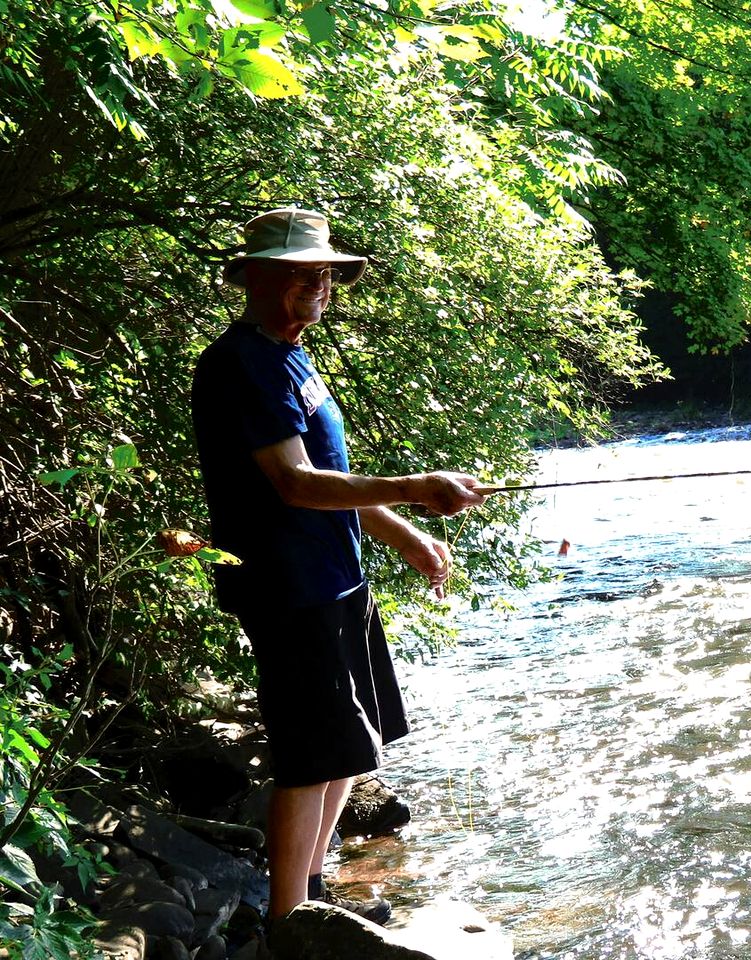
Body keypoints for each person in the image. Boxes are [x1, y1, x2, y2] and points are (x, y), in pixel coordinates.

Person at [191, 207, 488, 925]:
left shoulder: (291, 355)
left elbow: (332, 476)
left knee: (352, 746)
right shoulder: (240, 365)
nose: (317, 286)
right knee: (310, 755)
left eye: (324, 273)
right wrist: (416, 486)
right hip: (288, 588)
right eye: (299, 274)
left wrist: (404, 535)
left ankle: (313, 894)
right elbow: (294, 484)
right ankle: (288, 924)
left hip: (336, 579)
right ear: (255, 278)